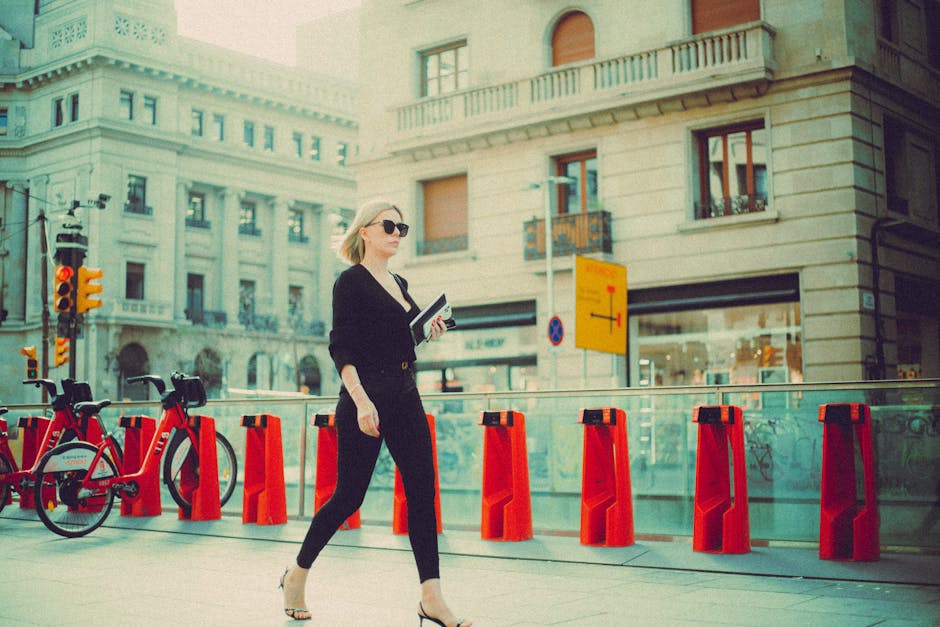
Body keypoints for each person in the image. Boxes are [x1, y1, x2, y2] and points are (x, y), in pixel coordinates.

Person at [280, 200, 472, 627]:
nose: (397, 234)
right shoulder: (349, 282)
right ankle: (297, 574)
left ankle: (431, 597)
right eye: (389, 225)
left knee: (422, 490)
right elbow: (342, 347)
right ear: (364, 231)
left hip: (405, 392)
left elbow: (399, 344)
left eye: (402, 228)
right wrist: (362, 400)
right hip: (365, 395)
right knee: (349, 497)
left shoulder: (400, 282)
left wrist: (426, 333)